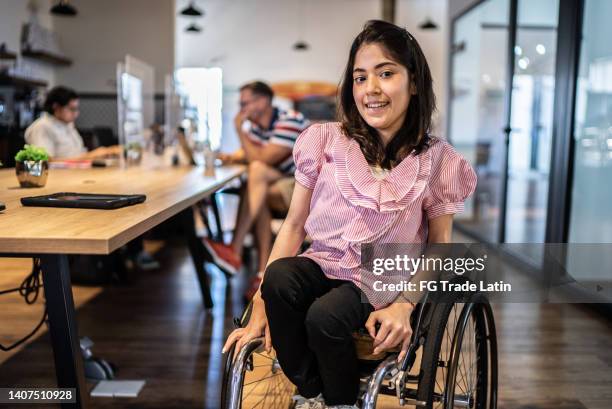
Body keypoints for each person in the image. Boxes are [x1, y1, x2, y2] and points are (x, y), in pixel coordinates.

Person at [222, 20, 477, 409]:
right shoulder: (324, 140)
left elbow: (441, 246)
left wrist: (406, 303)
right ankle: (316, 393)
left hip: (382, 277)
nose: (371, 89)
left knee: (325, 318)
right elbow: (293, 225)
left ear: (413, 83)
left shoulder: (438, 160)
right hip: (325, 262)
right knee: (277, 279)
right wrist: (259, 306)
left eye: (386, 73)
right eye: (360, 78)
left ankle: (337, 401)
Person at [205, 81, 310, 283]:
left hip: (306, 187)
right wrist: (231, 156)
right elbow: (249, 153)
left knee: (257, 174)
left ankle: (234, 250)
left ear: (263, 101)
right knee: (257, 189)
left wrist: (239, 130)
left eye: (245, 104)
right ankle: (263, 275)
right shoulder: (258, 127)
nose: (241, 110)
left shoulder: (289, 120)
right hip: (281, 181)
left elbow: (262, 159)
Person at [25, 86, 120, 160]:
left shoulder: (68, 124)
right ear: (56, 107)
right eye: (72, 109)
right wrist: (91, 155)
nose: (76, 113)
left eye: (76, 109)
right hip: (58, 179)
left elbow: (77, 154)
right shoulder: (42, 126)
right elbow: (46, 162)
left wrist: (103, 153)